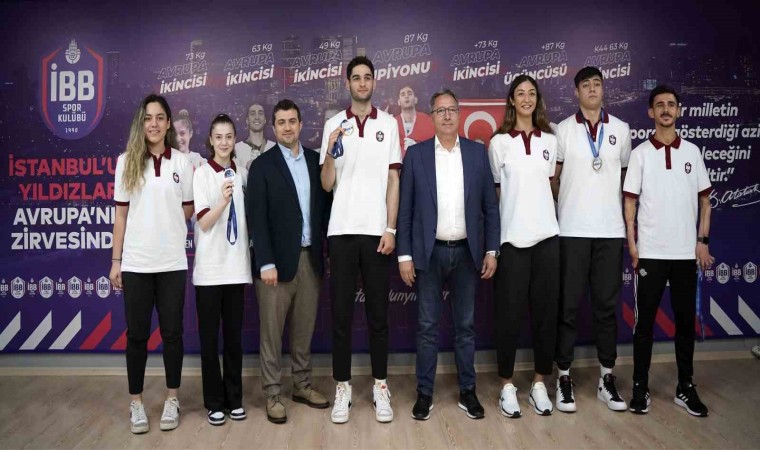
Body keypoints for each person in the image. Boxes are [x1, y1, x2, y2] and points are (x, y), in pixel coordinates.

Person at [397, 89, 499, 421]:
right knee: (427, 326)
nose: (446, 115)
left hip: (468, 253)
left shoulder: (477, 153)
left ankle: (468, 391)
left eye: (451, 109)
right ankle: (424, 392)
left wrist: (492, 249)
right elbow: (406, 210)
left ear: (459, 114)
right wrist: (404, 255)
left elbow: (490, 207)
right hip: (429, 253)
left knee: (465, 326)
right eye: (440, 110)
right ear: (432, 116)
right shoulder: (417, 155)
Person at [623, 85, 714, 417]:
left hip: (685, 255)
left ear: (678, 111)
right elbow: (629, 203)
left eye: (671, 104)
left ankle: (685, 387)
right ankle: (640, 386)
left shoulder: (692, 151)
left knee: (685, 324)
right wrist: (633, 245)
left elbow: (705, 201)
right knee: (644, 324)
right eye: (659, 104)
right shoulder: (640, 154)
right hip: (650, 253)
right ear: (651, 112)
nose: (665, 109)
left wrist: (702, 242)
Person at [320, 56, 401, 424]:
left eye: (368, 77)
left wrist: (391, 228)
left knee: (378, 316)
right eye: (356, 77)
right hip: (341, 232)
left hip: (377, 234)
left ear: (374, 82)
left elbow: (393, 180)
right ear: (347, 83)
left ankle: (381, 386)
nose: (362, 83)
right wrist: (330, 151)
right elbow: (326, 184)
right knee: (340, 317)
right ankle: (343, 387)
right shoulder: (333, 124)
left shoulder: (388, 124)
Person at [110, 94, 194, 434]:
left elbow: (187, 209)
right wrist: (116, 261)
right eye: (148, 118)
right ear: (141, 123)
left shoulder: (182, 163)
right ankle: (136, 403)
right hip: (136, 264)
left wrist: (166, 225)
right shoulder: (126, 161)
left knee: (172, 334)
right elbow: (121, 216)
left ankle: (172, 398)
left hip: (172, 263)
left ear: (169, 123)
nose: (154, 124)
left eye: (160, 117)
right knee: (137, 336)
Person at [550, 67, 632, 413]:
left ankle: (606, 377)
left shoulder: (621, 130)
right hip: (571, 231)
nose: (593, 89)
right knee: (567, 307)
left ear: (603, 89)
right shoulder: (562, 130)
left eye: (597, 84)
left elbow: (624, 178)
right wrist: (570, 204)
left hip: (610, 232)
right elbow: (553, 179)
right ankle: (563, 377)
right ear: (577, 92)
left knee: (606, 308)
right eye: (586, 85)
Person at [247, 99, 331, 424]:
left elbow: (324, 209)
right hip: (275, 266)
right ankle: (272, 393)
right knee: (271, 333)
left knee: (303, 330)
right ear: (273, 127)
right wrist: (265, 261)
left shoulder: (314, 160)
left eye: (292, 121)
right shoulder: (262, 166)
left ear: (300, 124)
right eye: (281, 122)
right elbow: (257, 219)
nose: (287, 127)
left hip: (310, 259)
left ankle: (302, 385)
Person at [488, 74, 560, 418]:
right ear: (512, 101)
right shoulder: (499, 143)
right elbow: (497, 194)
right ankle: (506, 386)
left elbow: (551, 187)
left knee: (546, 316)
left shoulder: (551, 140)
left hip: (547, 238)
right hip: (512, 241)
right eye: (520, 93)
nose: (527, 99)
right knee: (509, 317)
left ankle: (539, 384)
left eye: (532, 93)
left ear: (537, 100)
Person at [192, 114, 252, 426]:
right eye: (219, 137)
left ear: (235, 139)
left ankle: (234, 399)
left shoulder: (242, 173)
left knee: (233, 338)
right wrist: (222, 200)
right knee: (209, 339)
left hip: (236, 268)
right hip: (210, 270)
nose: (224, 142)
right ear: (210, 140)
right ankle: (214, 402)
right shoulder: (202, 174)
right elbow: (203, 222)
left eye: (229, 136)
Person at [234, 102, 276, 170]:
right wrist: (246, 170)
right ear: (247, 120)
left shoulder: (274, 148)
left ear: (265, 120)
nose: (257, 117)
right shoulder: (236, 149)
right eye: (252, 114)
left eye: (260, 113)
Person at [395, 86, 435, 156]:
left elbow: (433, 148)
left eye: (410, 94)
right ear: (399, 102)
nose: (406, 96)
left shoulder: (428, 121)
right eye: (403, 95)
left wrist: (417, 147)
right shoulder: (392, 123)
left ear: (416, 100)